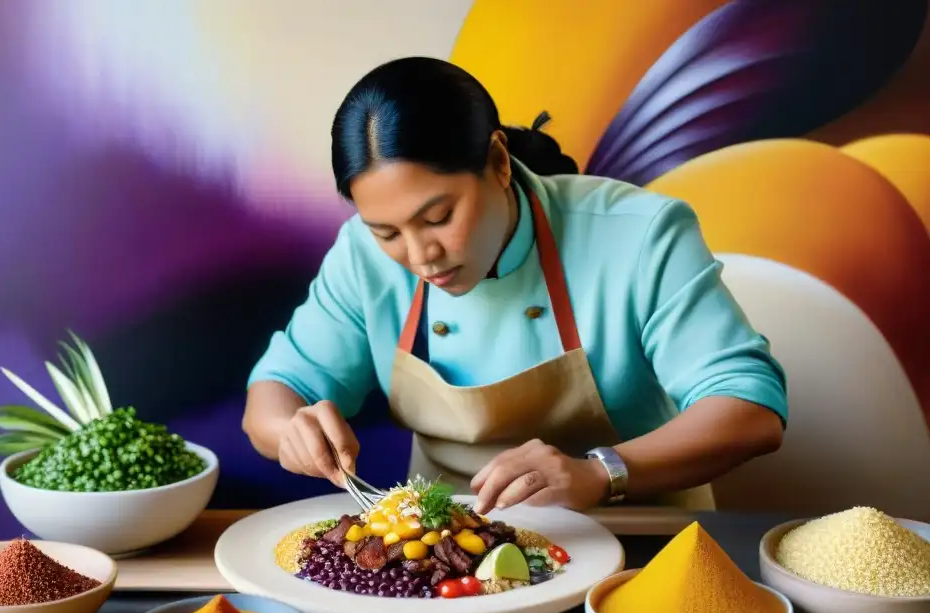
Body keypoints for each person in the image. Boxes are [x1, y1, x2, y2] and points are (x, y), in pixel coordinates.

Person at [242, 56, 787, 515]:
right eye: (387, 231)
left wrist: (601, 472)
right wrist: (292, 428)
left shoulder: (639, 233)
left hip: (637, 536)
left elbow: (749, 408)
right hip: (448, 558)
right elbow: (274, 393)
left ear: (499, 162)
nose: (419, 255)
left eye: (438, 217)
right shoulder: (363, 257)